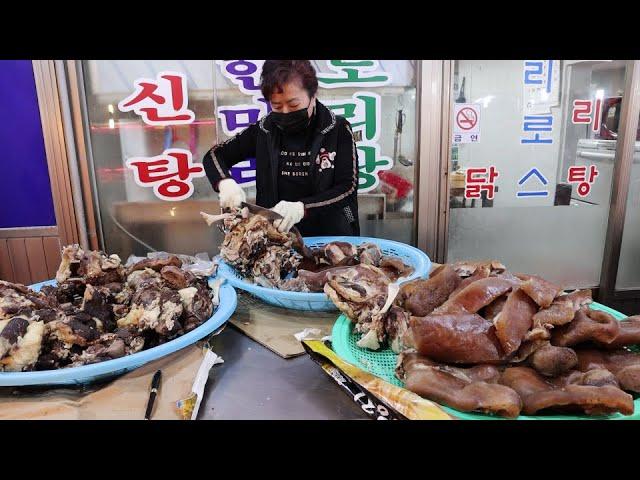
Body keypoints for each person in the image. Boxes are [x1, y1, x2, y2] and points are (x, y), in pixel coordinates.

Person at [202, 60, 360, 236]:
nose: (285, 112)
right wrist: (225, 182)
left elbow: (347, 187)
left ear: (312, 95)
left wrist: (302, 208)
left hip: (330, 236)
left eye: (293, 105)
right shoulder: (264, 130)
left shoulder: (337, 129)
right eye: (277, 106)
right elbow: (215, 155)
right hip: (277, 237)